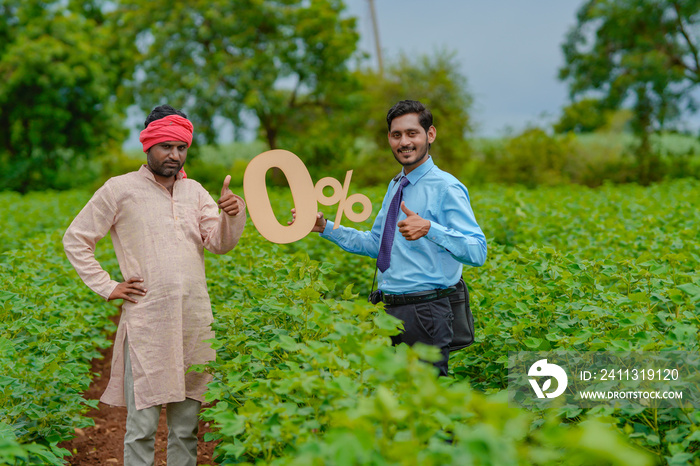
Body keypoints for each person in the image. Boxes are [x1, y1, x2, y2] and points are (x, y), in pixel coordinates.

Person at [63, 104, 246, 465]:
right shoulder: (120, 190)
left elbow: (220, 243)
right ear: (147, 145)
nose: (174, 155)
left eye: (181, 147)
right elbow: (76, 238)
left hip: (193, 321)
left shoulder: (195, 192)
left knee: (185, 429)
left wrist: (232, 214)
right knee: (142, 427)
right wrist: (108, 285)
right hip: (147, 323)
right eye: (165, 146)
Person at [296, 100, 486, 376]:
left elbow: (477, 251)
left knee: (425, 401)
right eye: (397, 135)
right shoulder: (396, 184)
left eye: (412, 133)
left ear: (429, 135)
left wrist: (430, 228)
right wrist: (325, 227)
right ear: (389, 139)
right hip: (388, 310)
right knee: (390, 401)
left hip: (426, 312)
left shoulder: (446, 187)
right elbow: (377, 245)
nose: (404, 142)